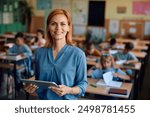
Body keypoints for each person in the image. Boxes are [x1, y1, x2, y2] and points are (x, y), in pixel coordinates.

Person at [24, 9, 87, 100]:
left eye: (63, 24)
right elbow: (38, 80)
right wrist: (31, 87)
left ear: (69, 27)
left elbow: (82, 85)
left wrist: (69, 90)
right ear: (48, 28)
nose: (58, 28)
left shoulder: (78, 54)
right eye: (53, 24)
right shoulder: (39, 53)